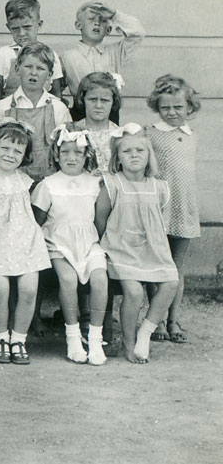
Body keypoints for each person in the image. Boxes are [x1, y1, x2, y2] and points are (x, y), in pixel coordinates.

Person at [0, 120, 51, 365]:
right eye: (5, 148)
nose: (10, 154)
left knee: (28, 290)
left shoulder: (25, 181)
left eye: (17, 151)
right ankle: (1, 338)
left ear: (24, 156)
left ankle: (19, 340)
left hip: (26, 242)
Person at [95, 124, 178, 363]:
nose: (134, 155)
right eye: (126, 151)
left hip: (151, 248)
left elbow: (161, 223)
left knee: (171, 282)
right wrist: (107, 248)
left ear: (149, 156)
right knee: (133, 291)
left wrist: (155, 248)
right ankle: (129, 343)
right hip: (120, 249)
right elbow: (101, 220)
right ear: (117, 158)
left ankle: (145, 332)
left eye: (140, 150)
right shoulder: (112, 184)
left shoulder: (160, 187)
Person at [31, 125, 108, 365]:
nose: (71, 157)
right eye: (65, 152)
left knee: (100, 279)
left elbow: (99, 220)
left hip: (88, 243)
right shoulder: (48, 184)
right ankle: (72, 336)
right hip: (58, 245)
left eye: (77, 152)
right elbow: (37, 223)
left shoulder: (95, 184)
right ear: (56, 154)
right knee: (68, 279)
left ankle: (95, 338)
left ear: (87, 156)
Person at [145, 75, 200, 344]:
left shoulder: (191, 136)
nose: (172, 112)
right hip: (159, 206)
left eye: (178, 107)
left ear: (189, 107)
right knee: (158, 266)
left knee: (177, 267)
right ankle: (155, 322)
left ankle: (173, 318)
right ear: (157, 107)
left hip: (185, 206)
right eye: (166, 107)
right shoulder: (150, 133)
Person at [0, 43, 72, 181]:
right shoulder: (3, 107)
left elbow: (66, 148)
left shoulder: (58, 108)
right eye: (28, 67)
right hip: (11, 182)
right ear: (17, 69)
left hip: (49, 181)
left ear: (50, 75)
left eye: (40, 68)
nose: (33, 73)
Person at [62, 1, 144, 117]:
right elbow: (56, 88)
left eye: (103, 20)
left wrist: (115, 15)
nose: (97, 24)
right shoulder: (67, 57)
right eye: (91, 19)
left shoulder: (115, 52)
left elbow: (138, 34)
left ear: (108, 30)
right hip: (80, 112)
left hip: (109, 112)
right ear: (78, 25)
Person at [0, 0, 65, 105]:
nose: (21, 33)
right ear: (8, 27)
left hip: (42, 109)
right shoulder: (4, 53)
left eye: (27, 27)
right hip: (12, 111)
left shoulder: (50, 54)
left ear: (39, 24)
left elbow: (56, 91)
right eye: (15, 28)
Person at [69, 72, 122, 174]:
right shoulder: (72, 132)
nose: (98, 105)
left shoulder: (119, 135)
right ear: (82, 99)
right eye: (93, 99)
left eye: (104, 100)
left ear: (113, 101)